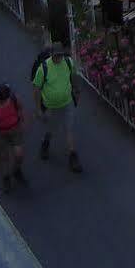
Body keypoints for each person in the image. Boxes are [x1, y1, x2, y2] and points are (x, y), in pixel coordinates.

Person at [30, 45, 82, 173]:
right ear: (52, 54)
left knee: (68, 129)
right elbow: (36, 89)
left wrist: (76, 91)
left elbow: (73, 76)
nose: (59, 58)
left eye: (61, 55)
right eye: (57, 55)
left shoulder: (68, 62)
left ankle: (73, 156)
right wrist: (38, 109)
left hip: (67, 102)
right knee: (52, 129)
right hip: (51, 106)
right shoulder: (44, 68)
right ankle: (45, 143)